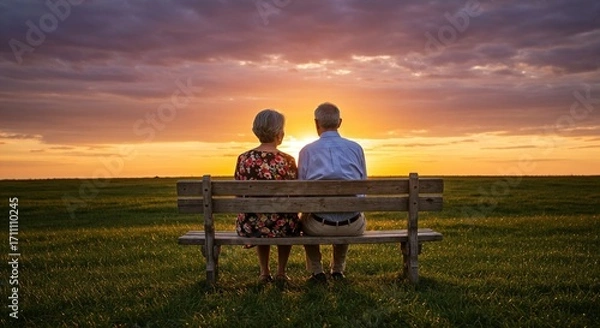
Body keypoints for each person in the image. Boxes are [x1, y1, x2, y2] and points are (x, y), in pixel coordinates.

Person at [298, 102, 367, 282]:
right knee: (350, 208)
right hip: (352, 227)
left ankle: (317, 271)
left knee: (303, 219)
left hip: (318, 226)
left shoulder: (306, 151)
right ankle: (337, 270)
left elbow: (301, 193)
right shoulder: (356, 148)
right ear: (340, 122)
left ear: (316, 123)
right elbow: (363, 192)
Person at [234, 109, 301, 284]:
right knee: (286, 217)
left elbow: (238, 192)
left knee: (261, 217)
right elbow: (295, 193)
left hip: (251, 223)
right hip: (284, 223)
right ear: (280, 133)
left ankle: (264, 272)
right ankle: (281, 272)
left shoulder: (244, 158)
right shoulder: (287, 160)